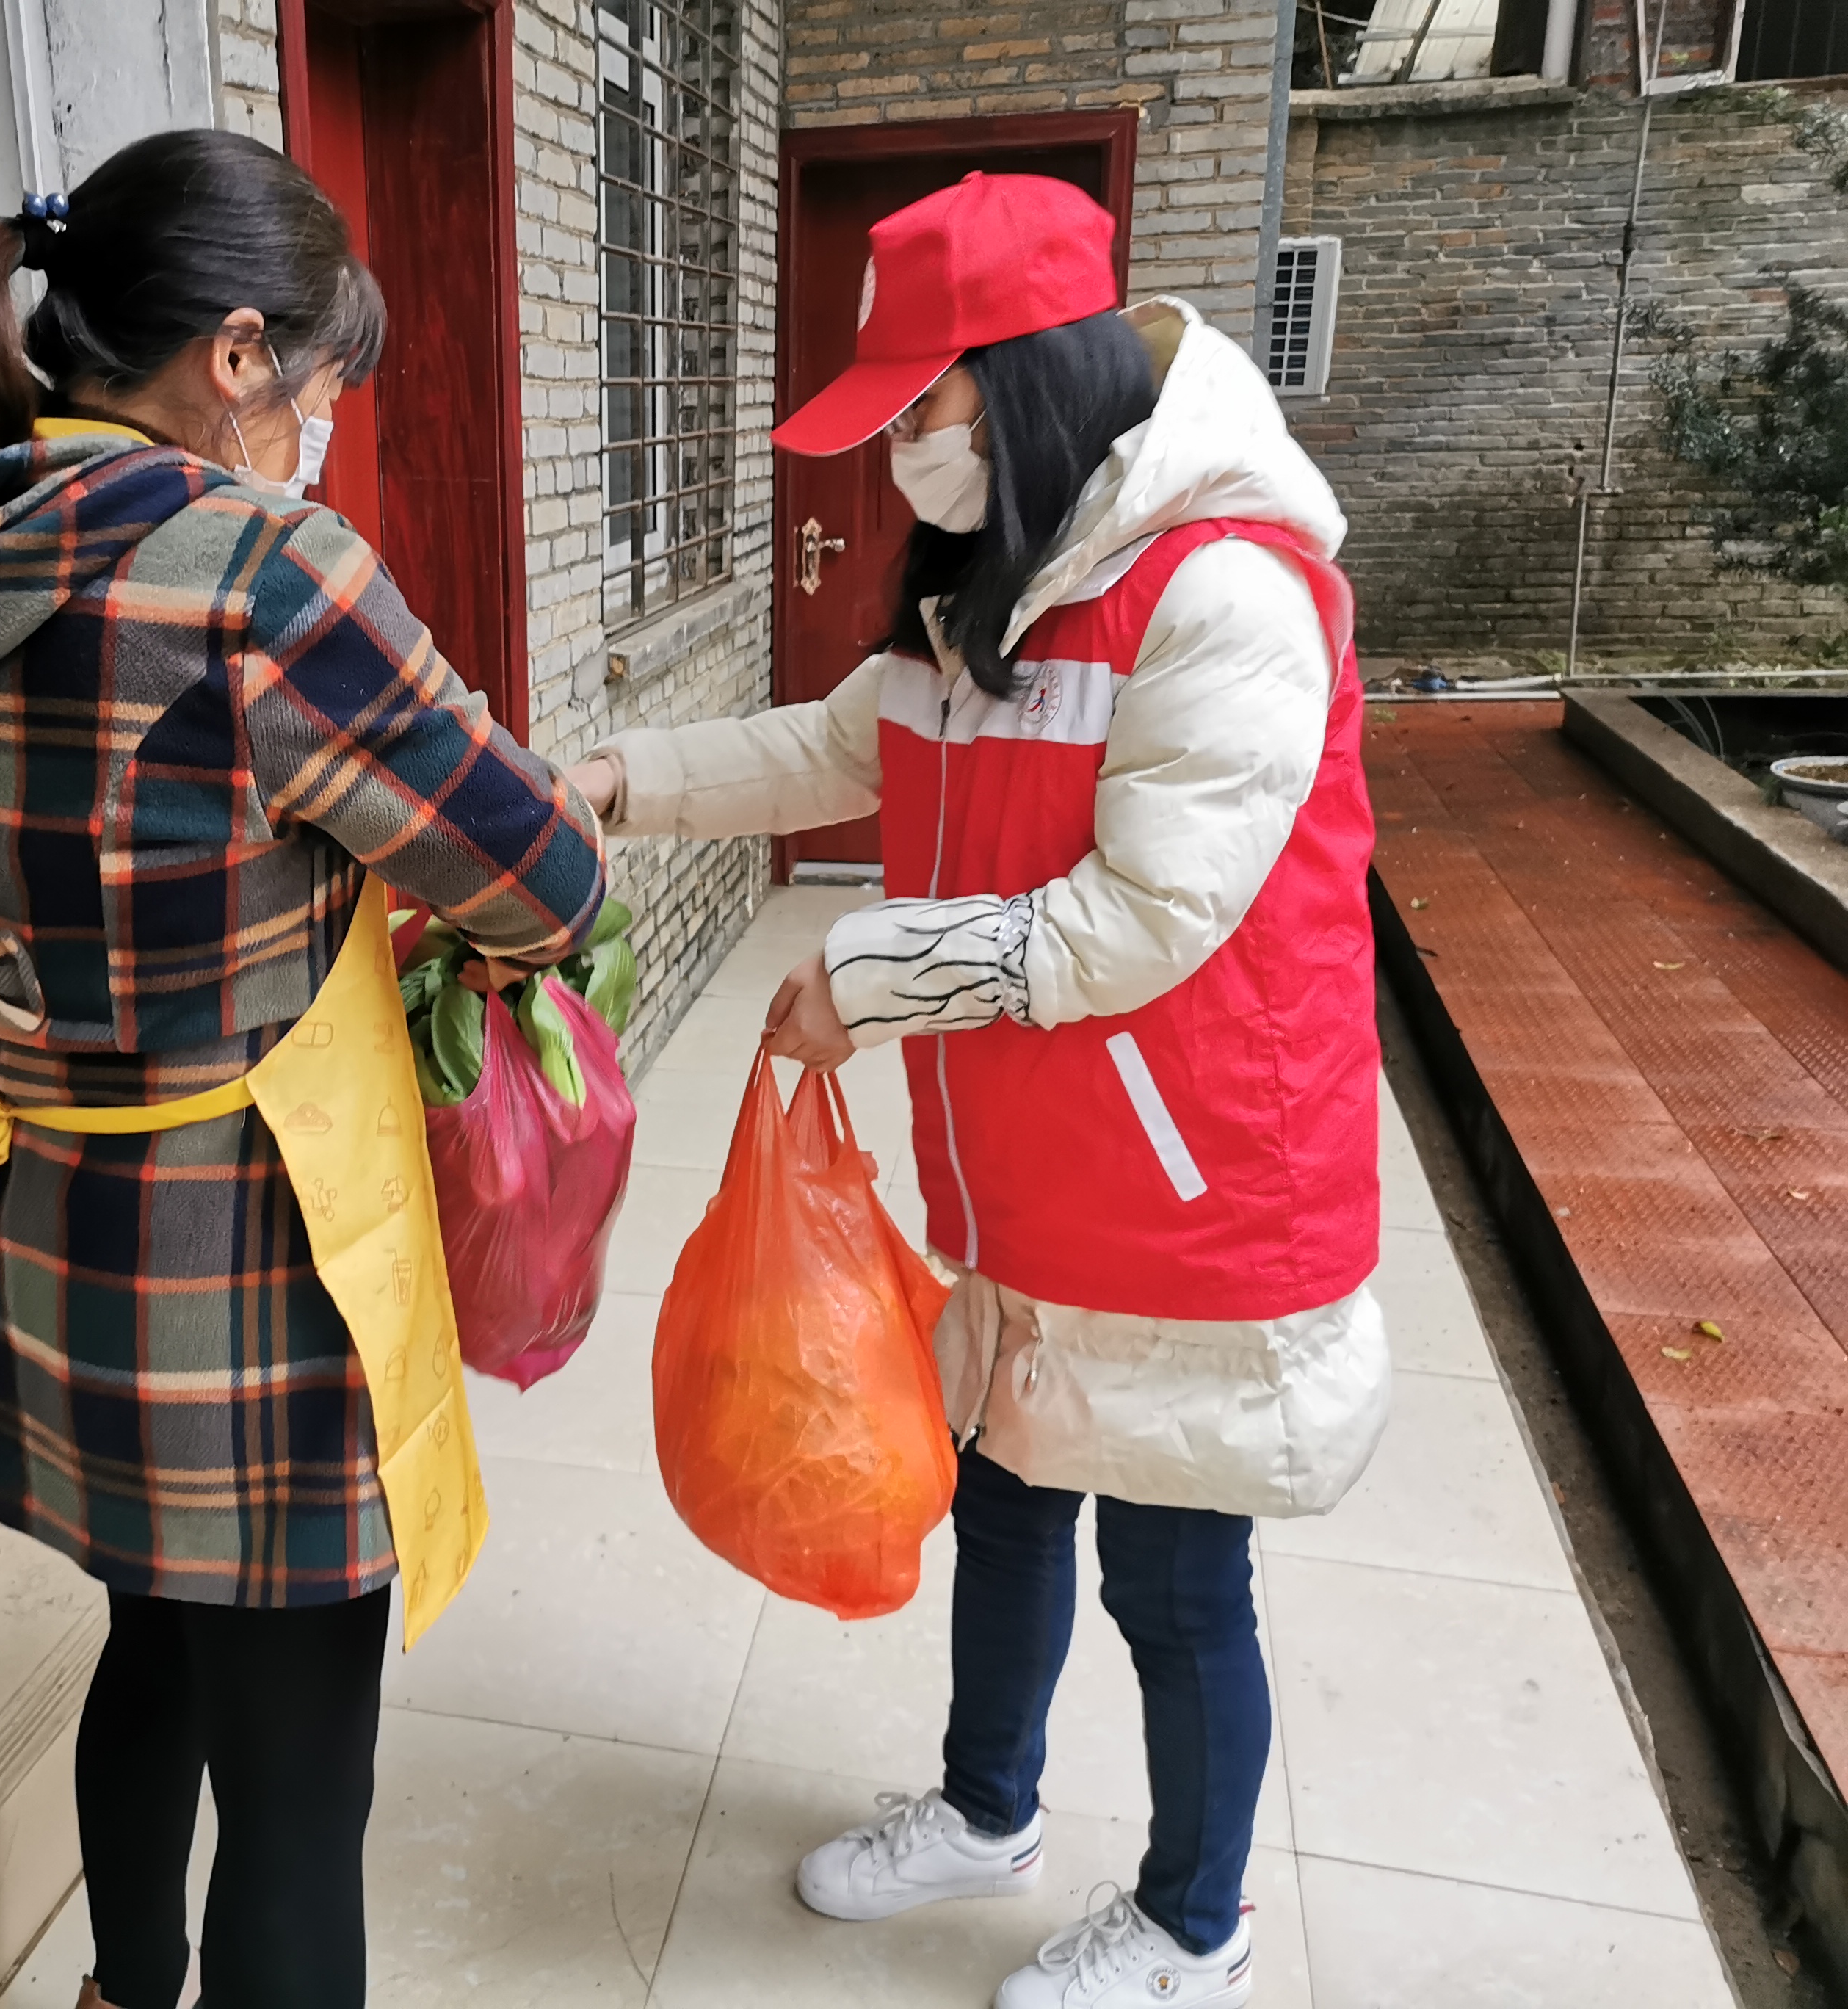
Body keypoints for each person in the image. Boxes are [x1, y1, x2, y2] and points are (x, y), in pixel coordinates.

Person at [571, 173, 1390, 2009]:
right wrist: (619, 778)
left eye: (921, 417)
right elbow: (825, 748)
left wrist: (864, 975)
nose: (902, 464)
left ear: (1020, 385)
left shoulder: (1227, 591)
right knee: (1009, 1501)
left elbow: (1141, 919)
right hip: (1024, 1174)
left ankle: (1199, 1923)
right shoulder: (994, 589)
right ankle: (986, 1809)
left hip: (1192, 1193)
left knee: (1177, 1585)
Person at [0, 129, 606, 2009]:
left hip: (53, 1232)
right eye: (324, 379)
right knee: (300, 1791)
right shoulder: (258, 574)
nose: (327, 423)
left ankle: (122, 1995)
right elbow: (543, 877)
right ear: (237, 355)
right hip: (256, 1263)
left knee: (152, 1649)